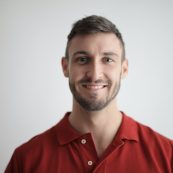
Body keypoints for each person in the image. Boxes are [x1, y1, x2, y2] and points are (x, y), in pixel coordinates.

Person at [5, 15, 173, 173]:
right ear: (65, 67)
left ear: (124, 69)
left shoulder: (168, 155)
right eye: (83, 59)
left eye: (107, 60)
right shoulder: (26, 160)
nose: (94, 74)